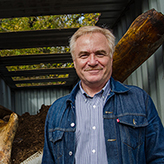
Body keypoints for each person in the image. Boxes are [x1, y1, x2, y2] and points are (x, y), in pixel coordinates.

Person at [42, 26, 164, 164]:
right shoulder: (57, 111)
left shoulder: (139, 100)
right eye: (84, 55)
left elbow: (159, 157)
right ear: (75, 62)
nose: (93, 62)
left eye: (100, 54)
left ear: (111, 59)